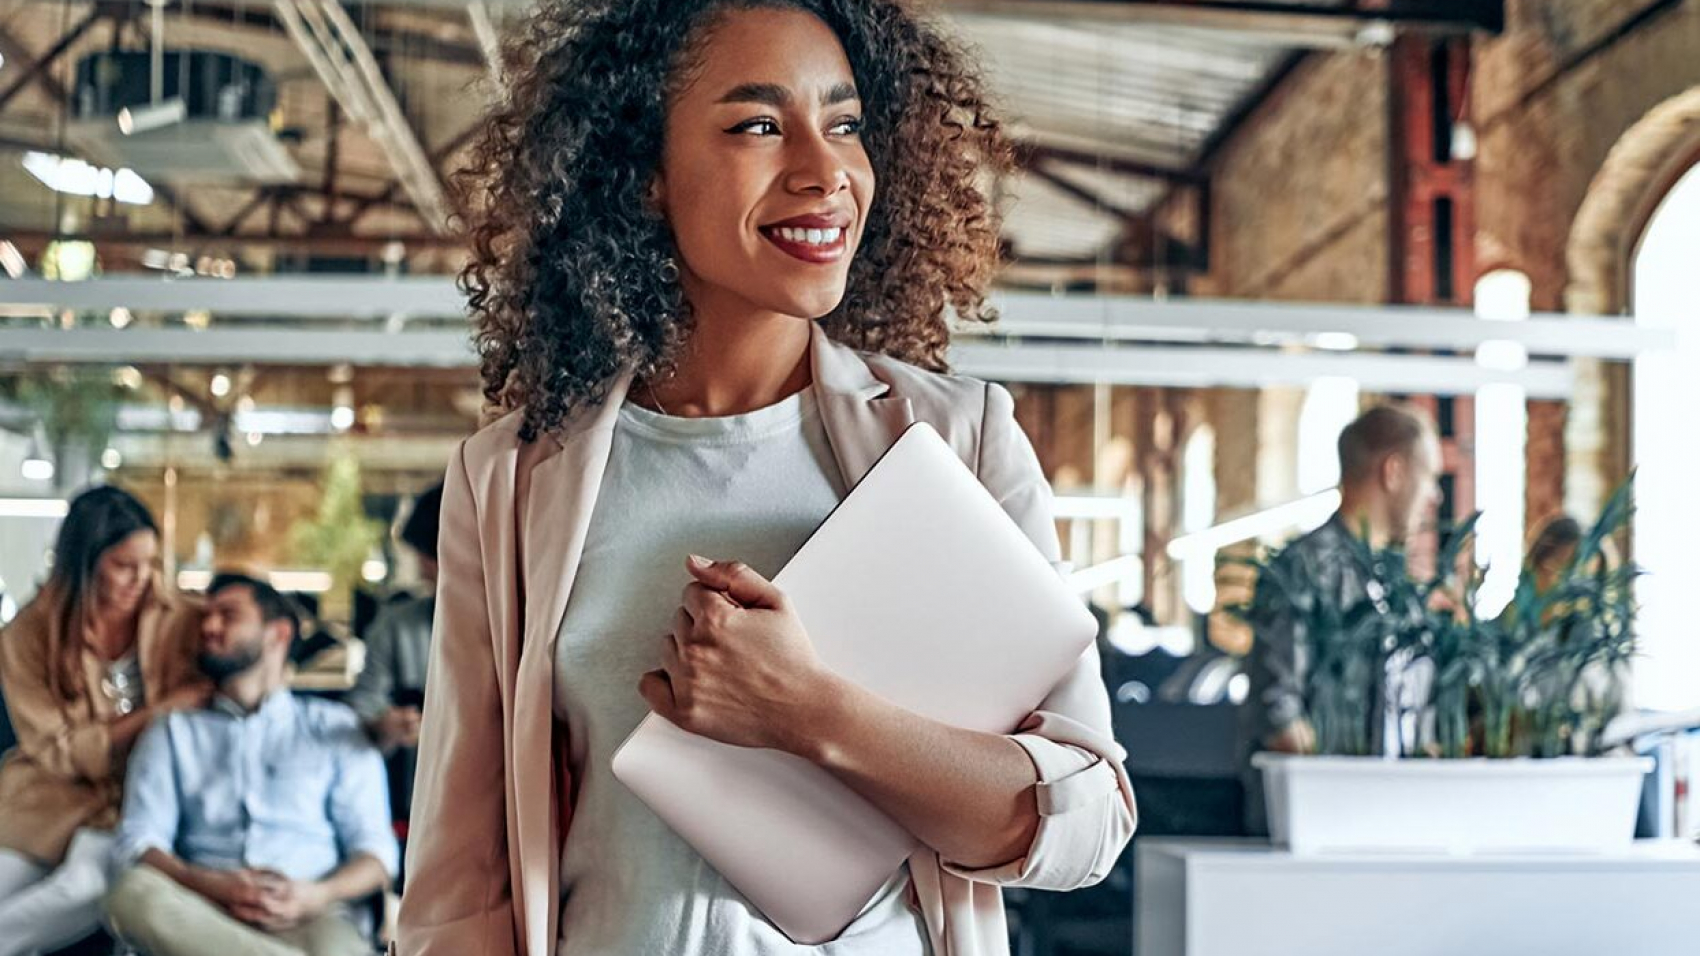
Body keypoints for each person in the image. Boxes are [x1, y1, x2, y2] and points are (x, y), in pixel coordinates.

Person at [396, 2, 1136, 955]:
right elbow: (459, 882)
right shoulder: (510, 479)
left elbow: (1085, 825)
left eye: (845, 125)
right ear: (645, 173)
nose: (825, 172)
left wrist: (807, 713)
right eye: (757, 124)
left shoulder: (957, 439)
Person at [104, 572, 398, 956]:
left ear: (278, 633)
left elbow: (376, 854)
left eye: (228, 615)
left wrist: (315, 895)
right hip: (201, 912)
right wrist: (210, 884)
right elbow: (138, 841)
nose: (209, 626)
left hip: (310, 913)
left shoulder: (335, 729)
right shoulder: (173, 731)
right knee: (131, 894)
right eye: (207, 616)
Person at [0, 485, 209, 956]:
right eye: (124, 566)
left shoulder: (181, 618)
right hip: (51, 799)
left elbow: (251, 649)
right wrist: (158, 711)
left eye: (150, 563)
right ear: (84, 564)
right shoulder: (26, 637)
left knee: (85, 886)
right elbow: (58, 753)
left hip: (137, 802)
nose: (142, 579)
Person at [1238, 404, 1443, 835]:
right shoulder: (1305, 570)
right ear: (1394, 471)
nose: (1435, 497)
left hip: (1392, 827)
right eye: (1430, 478)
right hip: (1318, 830)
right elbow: (1279, 715)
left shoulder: (1397, 589)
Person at [343, 483, 442, 835]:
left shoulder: (523, 623)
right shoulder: (397, 625)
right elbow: (362, 707)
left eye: (425, 556)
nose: (422, 569)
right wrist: (386, 724)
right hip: (420, 808)